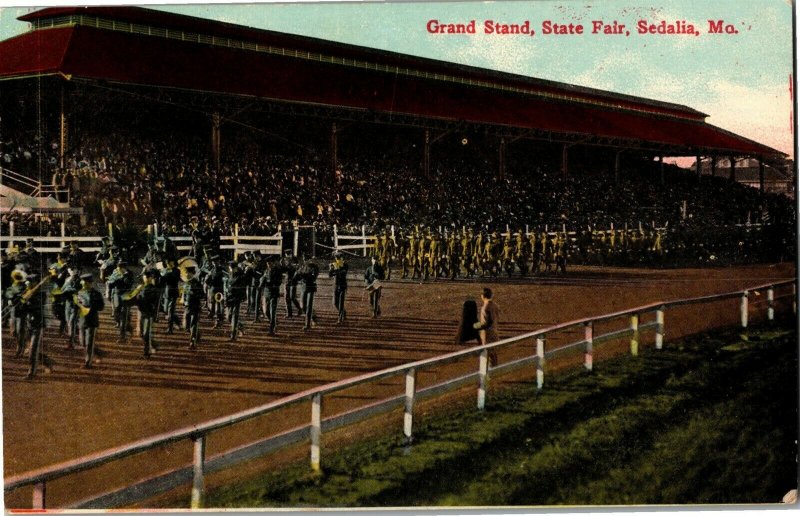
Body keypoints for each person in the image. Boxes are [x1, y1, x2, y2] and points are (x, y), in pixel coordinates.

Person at [75, 273, 105, 368]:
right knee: (83, 342)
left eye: (84, 281)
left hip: (92, 321)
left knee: (88, 343)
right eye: (82, 281)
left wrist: (90, 305)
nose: (82, 282)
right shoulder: (79, 292)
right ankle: (98, 353)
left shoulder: (96, 294)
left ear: (89, 283)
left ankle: (88, 363)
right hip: (82, 321)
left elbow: (101, 307)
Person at [130, 269, 160, 358]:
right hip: (141, 313)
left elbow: (154, 303)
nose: (144, 278)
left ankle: (146, 352)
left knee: (146, 333)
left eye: (146, 277)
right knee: (141, 334)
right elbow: (134, 300)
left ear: (150, 278)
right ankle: (154, 345)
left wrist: (155, 315)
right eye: (144, 277)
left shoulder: (153, 289)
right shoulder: (141, 288)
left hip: (148, 313)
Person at [106, 261, 134, 341]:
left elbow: (129, 284)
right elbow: (110, 283)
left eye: (120, 269)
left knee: (123, 316)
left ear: (124, 268)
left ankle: (122, 336)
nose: (118, 270)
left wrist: (120, 278)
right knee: (116, 314)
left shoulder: (129, 274)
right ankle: (128, 327)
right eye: (117, 268)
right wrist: (111, 283)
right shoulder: (115, 272)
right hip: (116, 295)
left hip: (125, 295)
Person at [474, 287, 499, 366]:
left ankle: (490, 375)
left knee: (488, 357)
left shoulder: (485, 308)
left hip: (487, 335)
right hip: (494, 332)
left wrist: (475, 325)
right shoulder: (495, 305)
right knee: (493, 355)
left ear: (482, 296)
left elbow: (485, 323)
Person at [181, 265, 205, 350]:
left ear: (193, 274)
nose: (187, 274)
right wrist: (183, 300)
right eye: (186, 273)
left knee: (193, 324)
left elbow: (202, 295)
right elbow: (184, 293)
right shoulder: (186, 282)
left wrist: (194, 294)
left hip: (195, 306)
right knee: (186, 325)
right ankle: (197, 335)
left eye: (189, 273)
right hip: (187, 307)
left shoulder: (197, 283)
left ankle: (192, 342)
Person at [224, 260, 247, 341]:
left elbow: (243, 288)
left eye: (232, 268)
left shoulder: (241, 276)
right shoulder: (230, 275)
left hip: (237, 298)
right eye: (230, 268)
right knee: (228, 317)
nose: (231, 270)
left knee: (234, 317)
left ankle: (233, 336)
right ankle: (241, 326)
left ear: (236, 268)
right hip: (229, 298)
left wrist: (243, 296)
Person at [60, 265, 83, 348]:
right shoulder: (67, 279)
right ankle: (72, 338)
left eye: (74, 269)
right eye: (70, 269)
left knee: (71, 322)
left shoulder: (80, 280)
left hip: (75, 304)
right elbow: (62, 290)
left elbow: (79, 291)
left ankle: (71, 342)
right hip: (68, 303)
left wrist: (68, 290)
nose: (71, 270)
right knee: (68, 321)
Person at [261, 257, 283, 335]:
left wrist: (270, 283)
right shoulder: (266, 271)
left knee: (273, 312)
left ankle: (272, 330)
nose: (268, 265)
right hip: (266, 293)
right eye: (267, 264)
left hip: (274, 293)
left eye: (270, 263)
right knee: (266, 312)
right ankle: (274, 322)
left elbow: (279, 282)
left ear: (273, 263)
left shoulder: (278, 271)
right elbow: (263, 280)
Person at [295, 259, 319, 330]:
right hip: (303, 287)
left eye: (306, 258)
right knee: (302, 306)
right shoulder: (303, 266)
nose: (305, 260)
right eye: (304, 258)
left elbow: (313, 278)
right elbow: (297, 278)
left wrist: (303, 275)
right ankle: (313, 316)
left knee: (309, 306)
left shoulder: (314, 267)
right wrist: (297, 274)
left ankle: (307, 324)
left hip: (311, 287)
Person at [328, 252, 348, 324]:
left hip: (342, 285)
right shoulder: (334, 265)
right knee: (335, 303)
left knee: (341, 302)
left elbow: (344, 272)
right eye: (337, 258)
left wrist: (337, 269)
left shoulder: (345, 265)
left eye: (339, 258)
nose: (338, 260)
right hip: (336, 285)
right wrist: (331, 269)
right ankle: (343, 312)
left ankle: (340, 318)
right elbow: (330, 275)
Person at [282, 252, 303, 318]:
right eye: (286, 255)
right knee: (286, 297)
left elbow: (296, 269)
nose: (287, 256)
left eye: (288, 255)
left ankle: (299, 309)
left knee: (292, 297)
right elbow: (284, 270)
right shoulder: (285, 261)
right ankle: (289, 313)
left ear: (290, 255)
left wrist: (290, 266)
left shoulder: (295, 260)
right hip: (287, 280)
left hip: (293, 281)